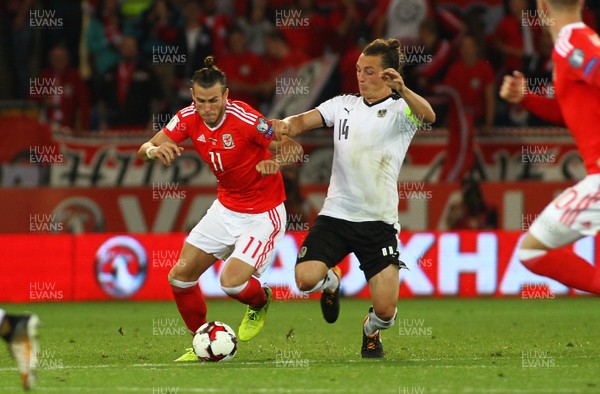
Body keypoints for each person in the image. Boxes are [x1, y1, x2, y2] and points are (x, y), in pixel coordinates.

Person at [272, 38, 435, 357]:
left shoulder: (402, 109)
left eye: (369, 71)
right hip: (336, 216)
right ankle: (332, 281)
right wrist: (283, 126)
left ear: (388, 74)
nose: (360, 76)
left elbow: (428, 116)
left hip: (378, 223)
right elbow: (302, 121)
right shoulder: (342, 104)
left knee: (386, 312)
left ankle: (370, 330)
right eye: (359, 70)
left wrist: (403, 90)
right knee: (305, 280)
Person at [137, 56, 302, 361]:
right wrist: (154, 150)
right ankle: (201, 341)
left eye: (214, 100)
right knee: (180, 277)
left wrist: (274, 161)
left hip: (263, 214)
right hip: (225, 208)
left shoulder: (247, 119)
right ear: (192, 95)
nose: (208, 108)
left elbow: (293, 147)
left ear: (226, 95)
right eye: (201, 100)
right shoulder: (187, 117)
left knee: (232, 282)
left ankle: (260, 301)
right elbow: (144, 148)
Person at [499, 0, 600, 294]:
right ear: (581, 2)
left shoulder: (571, 42)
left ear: (541, 6)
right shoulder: (581, 41)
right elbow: (573, 110)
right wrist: (527, 98)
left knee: (533, 251)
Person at [0, 310, 40, 390]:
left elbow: (5, 324)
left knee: (21, 350)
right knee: (21, 357)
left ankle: (30, 366)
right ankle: (27, 379)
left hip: (25, 324)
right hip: (27, 323)